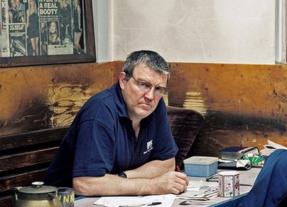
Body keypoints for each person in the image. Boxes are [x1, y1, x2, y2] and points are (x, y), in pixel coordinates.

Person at [45, 50, 189, 196]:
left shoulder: (155, 107)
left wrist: (124, 178)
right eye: (143, 84)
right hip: (65, 205)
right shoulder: (100, 111)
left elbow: (167, 164)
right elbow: (85, 184)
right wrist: (152, 185)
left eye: (158, 89)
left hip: (116, 201)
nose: (150, 96)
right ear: (123, 80)